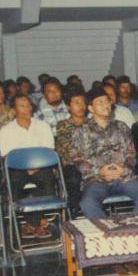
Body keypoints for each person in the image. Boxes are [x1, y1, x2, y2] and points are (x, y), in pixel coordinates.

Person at [73, 87, 138, 219]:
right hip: (96, 179)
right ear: (90, 108)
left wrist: (124, 169)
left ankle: (133, 227)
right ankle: (105, 229)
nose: (105, 105)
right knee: (87, 203)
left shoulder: (121, 127)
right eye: (100, 102)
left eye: (107, 101)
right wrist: (99, 171)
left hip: (123, 176)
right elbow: (79, 160)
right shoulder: (81, 131)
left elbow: (131, 153)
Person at [0, 93, 56, 239]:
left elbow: (49, 150)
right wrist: (25, 166)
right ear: (13, 110)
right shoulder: (6, 130)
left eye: (29, 105)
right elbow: (6, 155)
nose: (28, 108)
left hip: (41, 166)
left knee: (48, 183)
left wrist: (36, 166)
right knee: (12, 186)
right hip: (17, 169)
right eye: (22, 106)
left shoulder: (43, 126)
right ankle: (37, 224)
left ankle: (31, 225)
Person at [55, 85, 88, 217]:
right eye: (76, 103)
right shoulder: (63, 126)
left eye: (83, 102)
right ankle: (73, 213)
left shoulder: (92, 123)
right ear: (68, 106)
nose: (81, 106)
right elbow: (70, 151)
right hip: (72, 165)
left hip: (92, 164)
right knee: (74, 178)